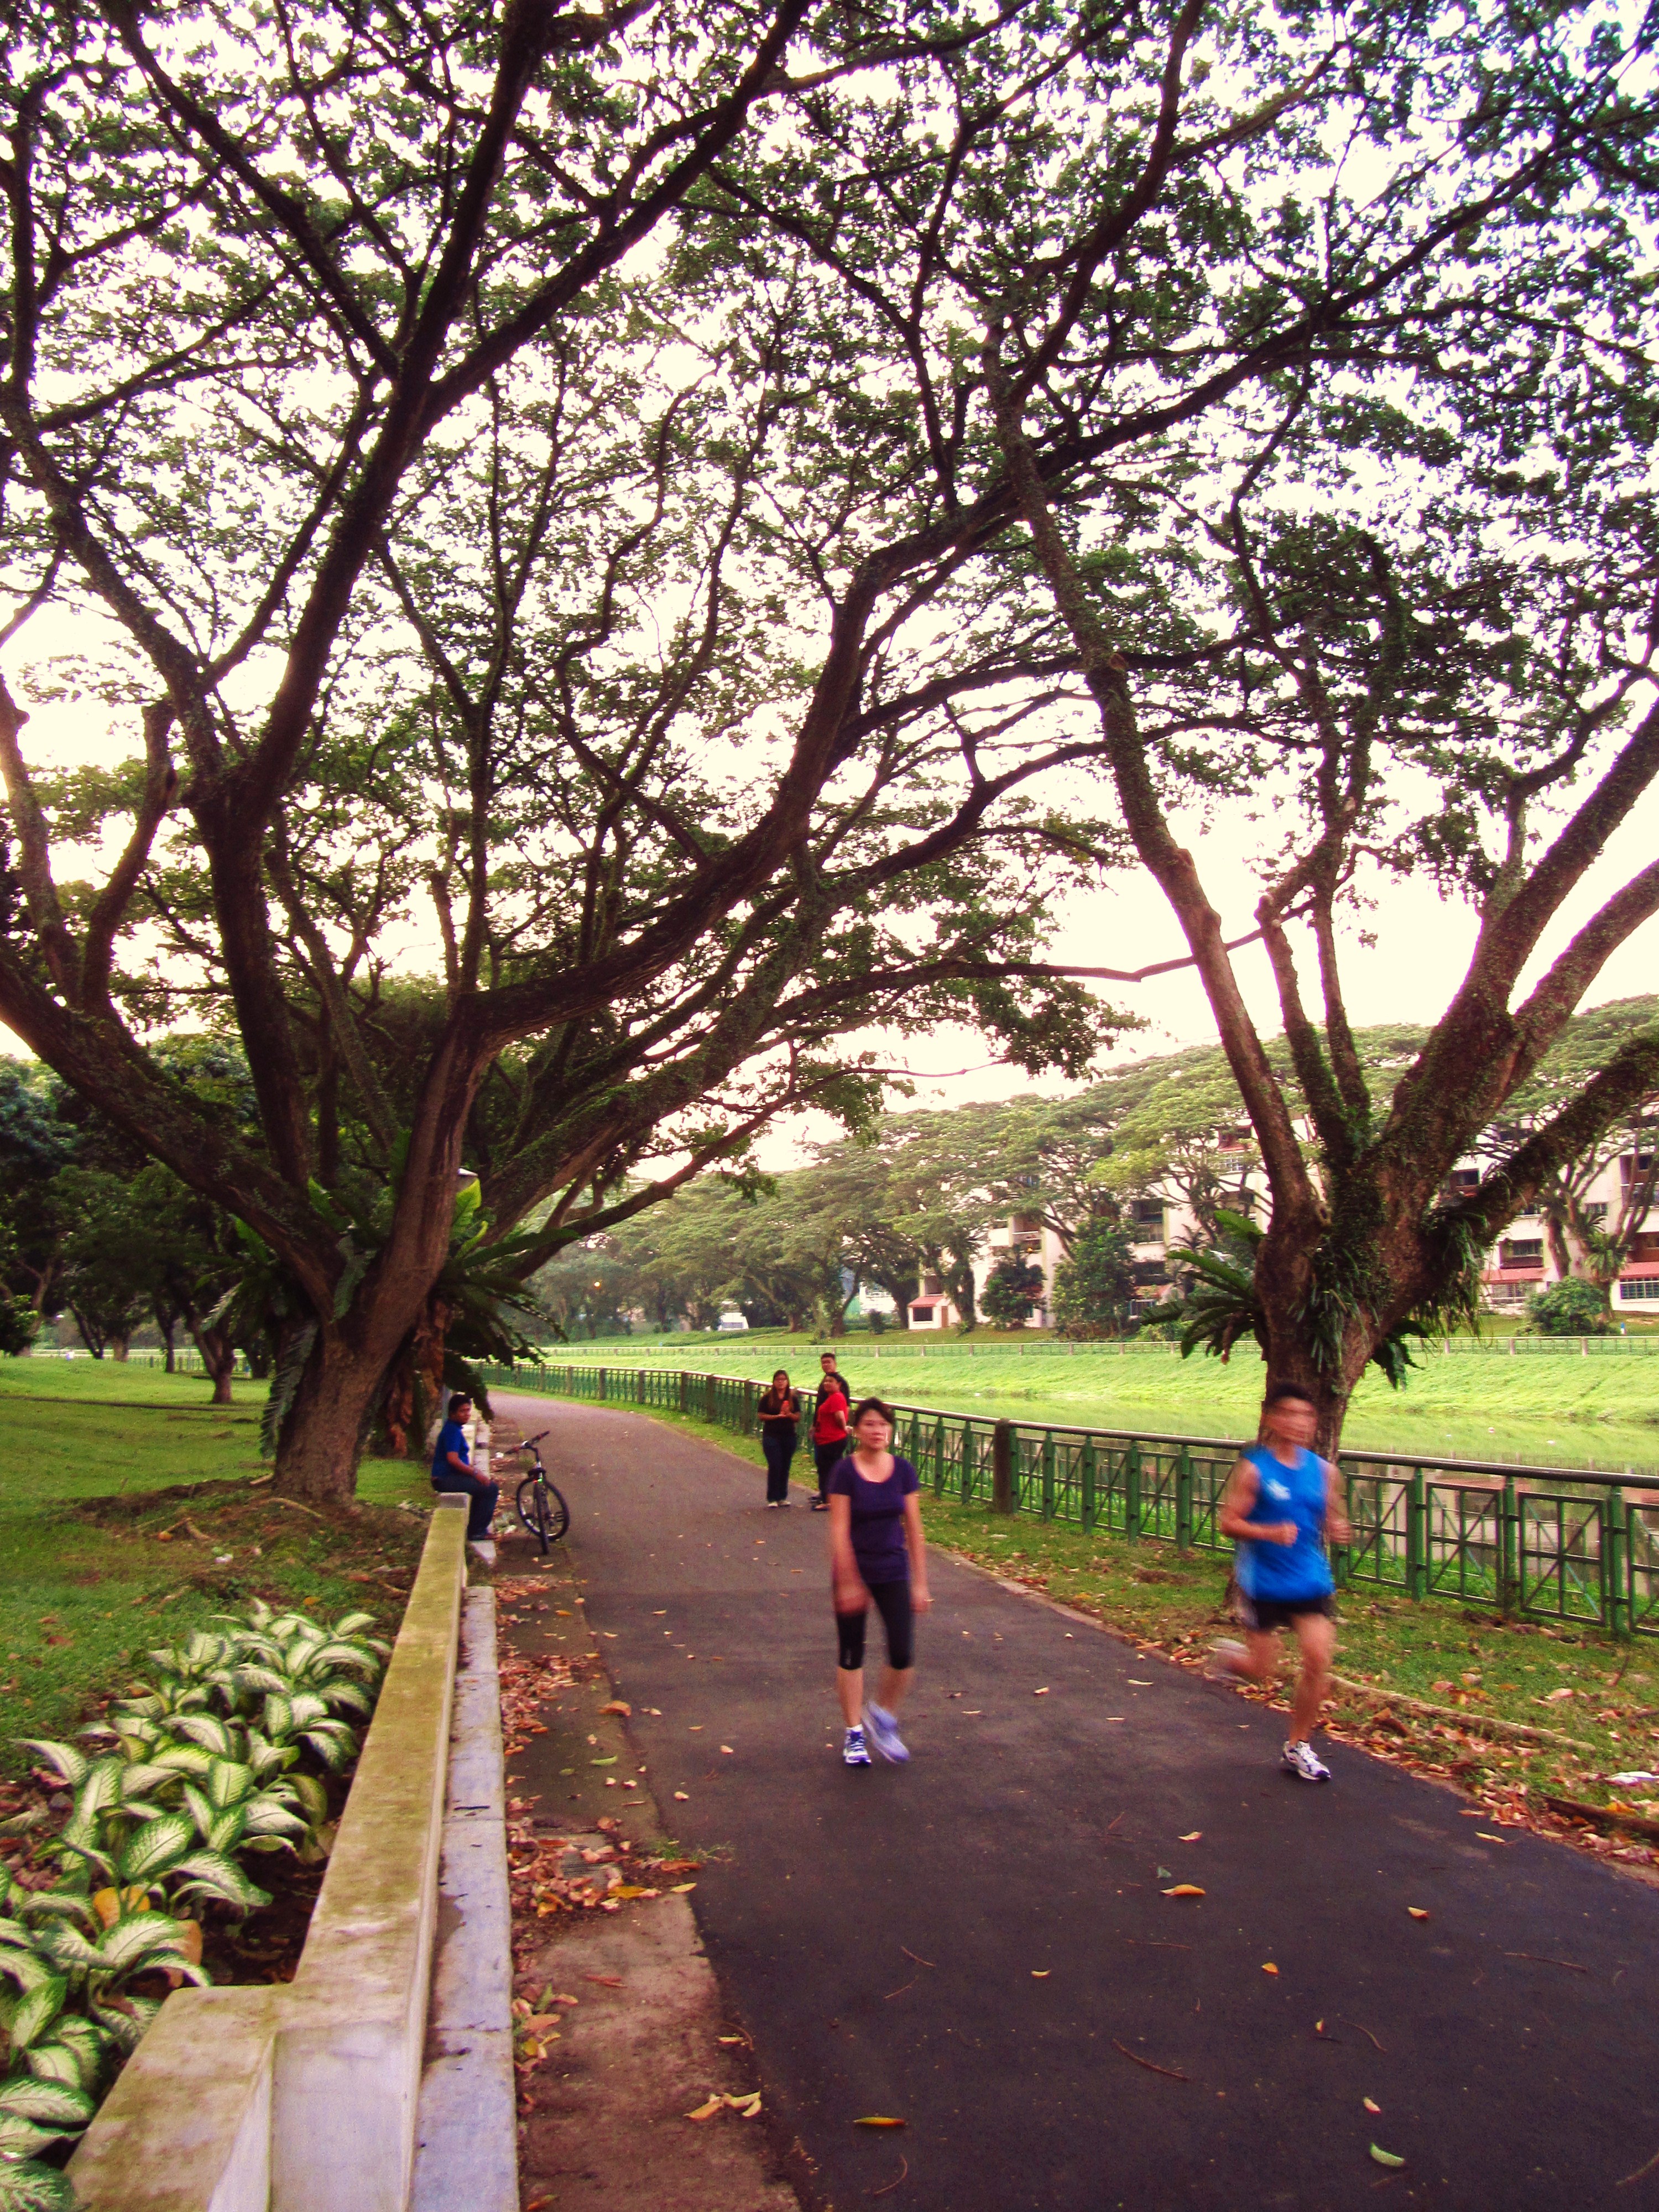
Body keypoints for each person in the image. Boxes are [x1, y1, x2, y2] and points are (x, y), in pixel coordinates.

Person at [1209, 1381, 1352, 1782]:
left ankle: (1299, 1746)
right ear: (1270, 1419)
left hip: (1309, 1578)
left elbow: (1331, 1516)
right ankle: (1231, 1659)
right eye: (1288, 1414)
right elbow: (1228, 1522)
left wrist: (1339, 1527)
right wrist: (1269, 1533)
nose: (1298, 1422)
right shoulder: (1254, 1468)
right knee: (1262, 1670)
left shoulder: (1324, 1472)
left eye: (1306, 1415)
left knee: (1318, 1660)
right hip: (1263, 1581)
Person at [827, 1397, 931, 1766]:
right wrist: (848, 1581)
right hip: (855, 1568)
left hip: (892, 1569)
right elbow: (839, 1530)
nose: (878, 1431)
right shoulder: (845, 1472)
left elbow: (915, 1530)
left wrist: (920, 1582)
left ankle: (883, 1716)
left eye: (884, 1424)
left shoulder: (903, 1470)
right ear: (856, 1430)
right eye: (870, 1424)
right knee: (851, 1653)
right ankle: (854, 1733)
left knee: (902, 1654)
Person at [430, 1391, 499, 1541]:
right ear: (452, 1413)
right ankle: (477, 1531)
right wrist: (475, 1474)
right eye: (462, 1411)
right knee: (491, 1489)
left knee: (482, 1488)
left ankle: (475, 1528)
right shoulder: (452, 1431)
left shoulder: (454, 1428)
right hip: (444, 1479)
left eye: (468, 1410)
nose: (467, 1414)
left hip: (450, 1476)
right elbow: (453, 1460)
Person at [756, 1369, 803, 1506]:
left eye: (783, 1379)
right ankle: (772, 1498)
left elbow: (798, 1417)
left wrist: (789, 1414)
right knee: (775, 1464)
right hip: (771, 1435)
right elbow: (761, 1415)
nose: (781, 1382)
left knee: (785, 1466)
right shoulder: (767, 1398)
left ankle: (782, 1496)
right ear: (774, 1382)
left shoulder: (793, 1398)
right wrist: (776, 1417)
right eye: (778, 1379)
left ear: (787, 1381)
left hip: (788, 1436)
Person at [810, 1365, 851, 1511]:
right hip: (825, 1439)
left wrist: (844, 1428)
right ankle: (827, 1498)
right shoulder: (831, 1398)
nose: (827, 1384)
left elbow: (840, 1417)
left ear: (839, 1385)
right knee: (825, 1469)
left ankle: (830, 1500)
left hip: (832, 1440)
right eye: (826, 1382)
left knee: (829, 1470)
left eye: (831, 1381)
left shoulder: (837, 1398)